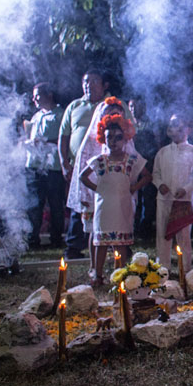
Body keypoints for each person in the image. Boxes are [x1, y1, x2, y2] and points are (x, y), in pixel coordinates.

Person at [67, 96, 137, 281]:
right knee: (95, 231)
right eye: (110, 112)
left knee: (118, 229)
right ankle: (94, 267)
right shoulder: (92, 139)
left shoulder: (124, 138)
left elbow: (133, 168)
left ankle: (118, 268)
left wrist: (131, 189)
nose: (113, 115)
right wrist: (87, 193)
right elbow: (83, 169)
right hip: (97, 194)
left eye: (117, 112)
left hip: (118, 194)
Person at [79, 114, 150, 286]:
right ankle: (97, 274)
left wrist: (134, 187)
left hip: (122, 205)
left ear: (126, 138)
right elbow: (83, 176)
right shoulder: (100, 160)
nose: (114, 142)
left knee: (121, 242)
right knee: (101, 242)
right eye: (109, 137)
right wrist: (98, 189)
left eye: (118, 138)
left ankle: (121, 274)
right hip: (104, 206)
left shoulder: (132, 159)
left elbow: (147, 176)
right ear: (103, 138)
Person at [58, 69, 110, 259]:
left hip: (106, 164)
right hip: (78, 165)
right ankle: (74, 246)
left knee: (108, 202)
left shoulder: (111, 105)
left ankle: (114, 243)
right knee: (80, 204)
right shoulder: (74, 106)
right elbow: (63, 136)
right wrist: (64, 163)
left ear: (104, 85)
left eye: (94, 81)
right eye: (86, 82)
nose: (89, 85)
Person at [153, 115, 193, 273]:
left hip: (184, 200)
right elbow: (156, 174)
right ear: (169, 131)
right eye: (175, 129)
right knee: (162, 234)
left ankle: (185, 269)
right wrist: (160, 185)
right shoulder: (162, 152)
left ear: (188, 130)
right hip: (164, 199)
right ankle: (163, 268)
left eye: (182, 129)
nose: (178, 132)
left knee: (184, 236)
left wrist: (186, 189)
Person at [24, 82, 66, 249]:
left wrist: (44, 141)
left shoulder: (60, 115)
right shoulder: (36, 116)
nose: (34, 99)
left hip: (53, 168)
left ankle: (56, 239)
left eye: (38, 95)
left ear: (49, 95)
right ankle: (33, 239)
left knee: (56, 205)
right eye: (33, 96)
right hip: (34, 166)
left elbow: (64, 140)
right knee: (34, 205)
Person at [129, 97, 159, 242]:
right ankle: (133, 228)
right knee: (134, 198)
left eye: (137, 106)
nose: (134, 109)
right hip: (132, 165)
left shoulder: (151, 124)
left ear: (144, 108)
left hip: (147, 163)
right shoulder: (127, 124)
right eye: (131, 106)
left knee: (147, 198)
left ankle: (145, 229)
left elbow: (157, 143)